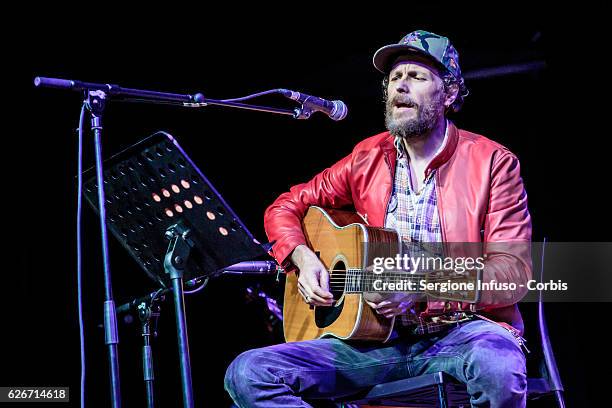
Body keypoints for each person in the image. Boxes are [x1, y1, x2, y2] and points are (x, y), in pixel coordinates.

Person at [225, 30, 532, 408]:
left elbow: (512, 274)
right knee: (249, 372)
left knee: (498, 368)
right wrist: (302, 258)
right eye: (394, 78)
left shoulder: (492, 163)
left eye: (416, 77)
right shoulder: (367, 157)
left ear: (449, 93)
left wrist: (422, 287)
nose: (400, 87)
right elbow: (286, 206)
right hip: (374, 345)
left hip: (461, 334)